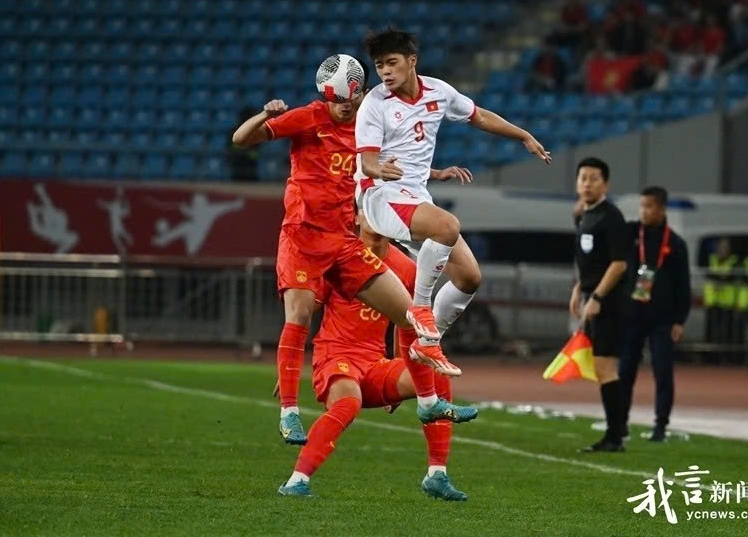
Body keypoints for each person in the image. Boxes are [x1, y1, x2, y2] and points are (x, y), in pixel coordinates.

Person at [232, 55, 468, 446]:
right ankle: (289, 412)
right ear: (324, 95)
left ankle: (428, 401)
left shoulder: (367, 122)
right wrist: (264, 115)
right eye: (335, 99)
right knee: (301, 313)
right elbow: (241, 140)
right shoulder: (308, 118)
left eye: (349, 98)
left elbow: (389, 160)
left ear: (358, 92)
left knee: (411, 317)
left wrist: (433, 174)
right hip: (303, 237)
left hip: (343, 241)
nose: (343, 105)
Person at [355, 28, 551, 363]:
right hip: (380, 197)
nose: (385, 71)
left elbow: (479, 116)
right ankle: (419, 308)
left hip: (416, 197)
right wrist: (377, 169)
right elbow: (367, 160)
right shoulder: (375, 104)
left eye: (391, 62)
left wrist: (523, 136)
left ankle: (425, 345)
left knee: (469, 277)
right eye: (379, 66)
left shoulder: (438, 92)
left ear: (411, 61)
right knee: (448, 226)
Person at [277, 212, 477, 499]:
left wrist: (406, 369)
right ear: (358, 216)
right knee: (349, 402)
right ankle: (297, 480)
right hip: (335, 358)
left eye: (384, 212)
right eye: (372, 211)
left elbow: (406, 323)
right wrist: (288, 372)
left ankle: (437, 474)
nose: (378, 218)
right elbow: (303, 312)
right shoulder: (340, 258)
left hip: (374, 364)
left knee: (435, 371)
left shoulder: (406, 269)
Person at [619, 187, 691, 443]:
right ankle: (620, 423)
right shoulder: (629, 234)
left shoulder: (675, 243)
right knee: (624, 371)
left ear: (661, 209)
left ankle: (660, 426)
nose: (644, 211)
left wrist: (679, 320)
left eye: (649, 206)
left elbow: (684, 285)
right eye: (642, 206)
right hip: (631, 315)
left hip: (662, 319)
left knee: (663, 372)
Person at [570, 157, 628, 452]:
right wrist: (580, 288)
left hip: (610, 302)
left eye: (594, 178)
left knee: (606, 367)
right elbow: (590, 261)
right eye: (583, 178)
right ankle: (617, 432)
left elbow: (618, 264)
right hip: (593, 298)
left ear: (605, 183)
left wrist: (597, 297)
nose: (587, 184)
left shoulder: (611, 217)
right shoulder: (584, 215)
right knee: (602, 367)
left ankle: (615, 437)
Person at [703, 237, 738, 345]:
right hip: (712, 301)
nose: (723, 250)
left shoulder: (734, 261)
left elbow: (731, 277)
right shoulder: (711, 259)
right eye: (721, 247)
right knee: (711, 329)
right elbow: (708, 274)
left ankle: (724, 356)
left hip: (727, 302)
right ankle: (709, 355)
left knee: (726, 331)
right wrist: (721, 277)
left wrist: (718, 278)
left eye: (726, 247)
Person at [228, 107, 260, 181]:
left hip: (251, 167)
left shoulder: (258, 131)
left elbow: (256, 153)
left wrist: (248, 152)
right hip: (236, 166)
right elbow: (231, 149)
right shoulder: (234, 132)